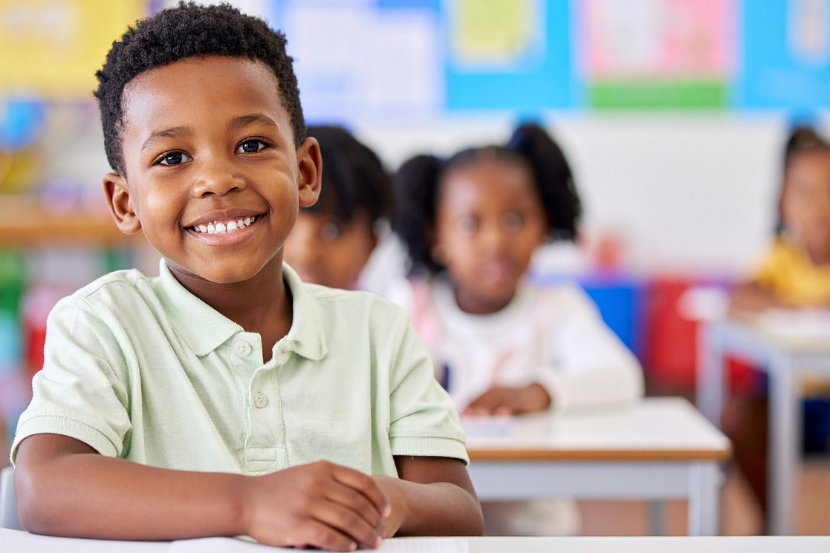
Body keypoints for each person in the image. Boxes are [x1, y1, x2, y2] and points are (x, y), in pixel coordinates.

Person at [11, 4, 483, 549]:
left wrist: (380, 499)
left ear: (305, 172)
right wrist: (250, 503)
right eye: (172, 157)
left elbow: (458, 509)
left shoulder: (379, 334)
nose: (216, 179)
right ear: (125, 202)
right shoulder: (103, 325)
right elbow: (45, 488)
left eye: (251, 145)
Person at [393, 123, 643, 535]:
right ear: (435, 234)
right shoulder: (412, 305)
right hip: (434, 531)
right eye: (471, 223)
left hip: (537, 535)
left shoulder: (556, 309)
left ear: (544, 224)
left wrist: (539, 391)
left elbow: (622, 377)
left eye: (515, 218)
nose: (495, 241)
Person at [727, 126, 830, 526]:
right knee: (738, 419)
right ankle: (773, 523)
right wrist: (794, 305)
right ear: (785, 204)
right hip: (788, 399)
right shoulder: (781, 257)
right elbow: (741, 298)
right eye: (805, 192)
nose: (820, 205)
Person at [284, 125, 406, 295]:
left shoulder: (384, 320)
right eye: (284, 225)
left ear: (371, 246)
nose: (305, 253)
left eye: (332, 231)